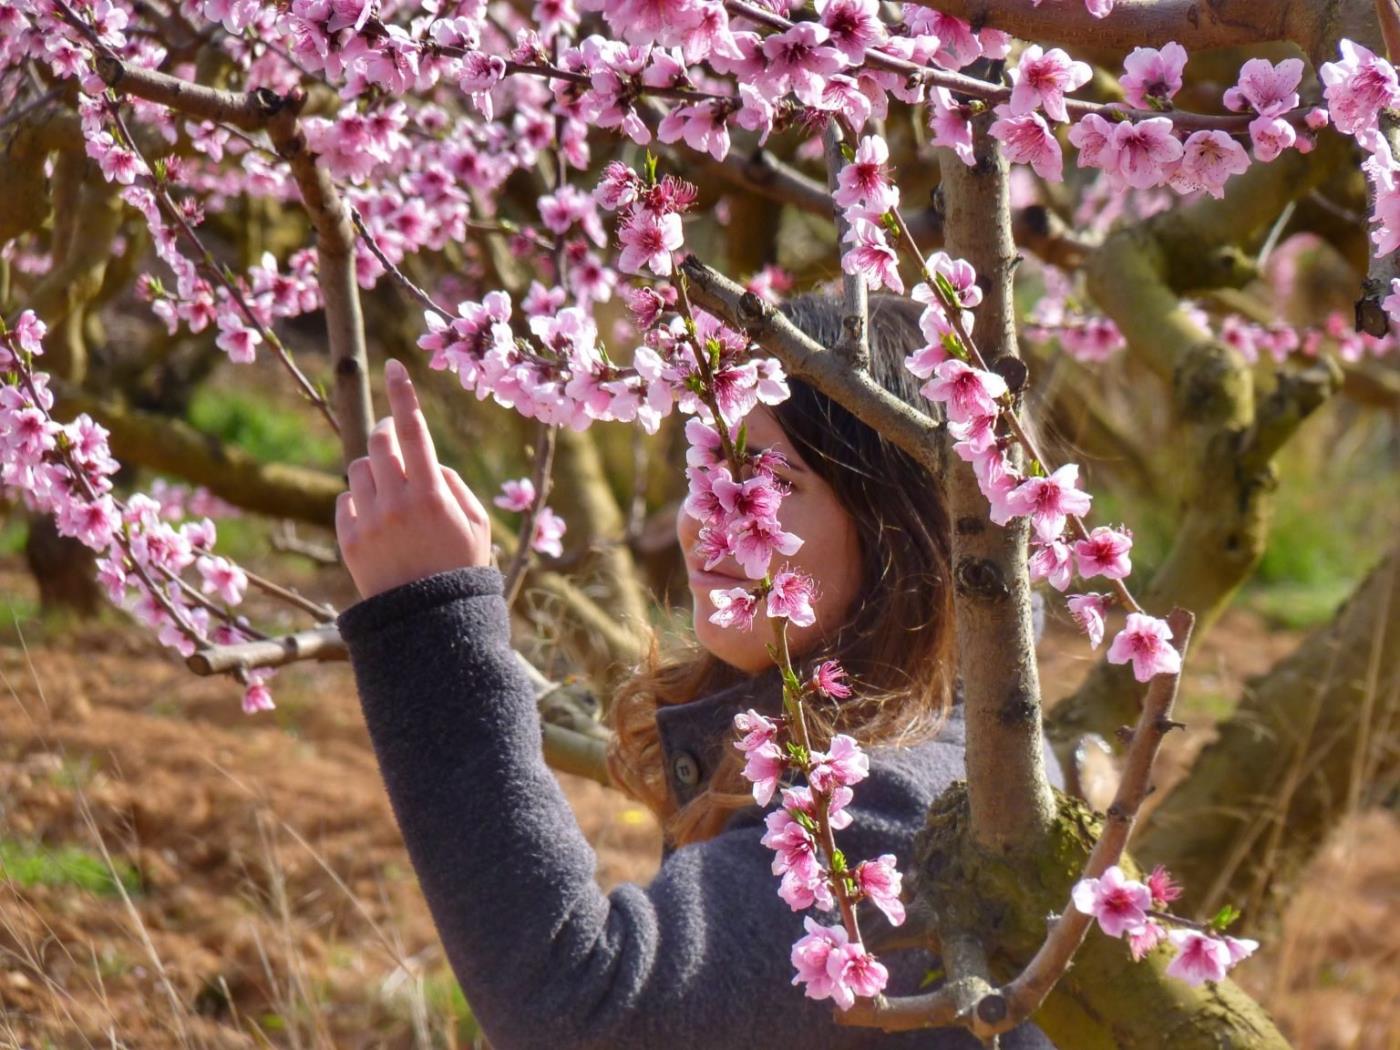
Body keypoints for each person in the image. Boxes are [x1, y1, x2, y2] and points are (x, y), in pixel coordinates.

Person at [334, 294, 1062, 1049]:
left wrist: (431, 624)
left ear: (900, 534)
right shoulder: (928, 744)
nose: (700, 520)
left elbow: (581, 1007)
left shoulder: (900, 810)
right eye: (706, 470)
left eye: (765, 485)